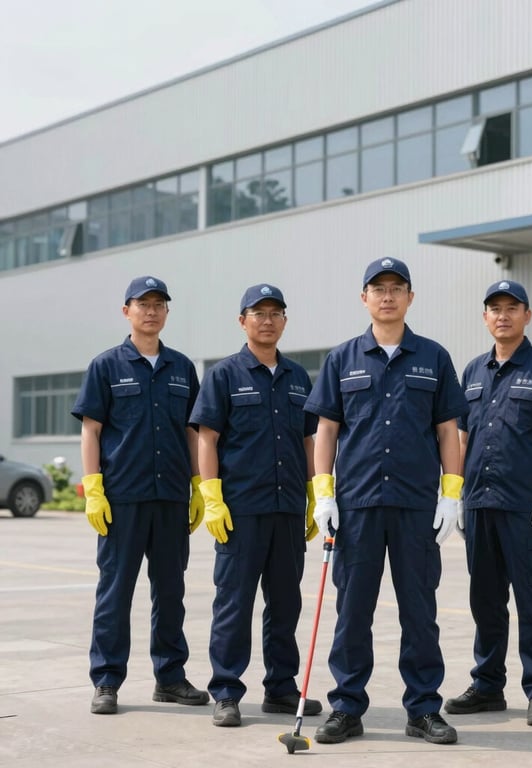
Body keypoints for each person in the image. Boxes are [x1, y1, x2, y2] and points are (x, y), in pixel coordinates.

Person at [304, 257, 468, 746]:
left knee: (419, 610)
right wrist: (323, 492)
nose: (388, 295)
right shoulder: (342, 358)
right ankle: (346, 708)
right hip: (356, 505)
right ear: (364, 298)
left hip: (417, 504)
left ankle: (423, 709)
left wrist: (451, 494)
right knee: (353, 610)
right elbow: (326, 428)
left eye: (398, 288)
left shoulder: (433, 357)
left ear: (411, 298)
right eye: (378, 288)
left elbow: (448, 431)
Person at [72, 275, 209, 715]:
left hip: (170, 496)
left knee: (170, 590)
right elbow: (90, 430)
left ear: (167, 312)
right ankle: (107, 680)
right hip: (122, 497)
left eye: (159, 304)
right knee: (115, 591)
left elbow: (193, 432)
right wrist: (93, 488)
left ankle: (170, 677)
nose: (151, 311)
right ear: (126, 311)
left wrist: (198, 485)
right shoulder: (106, 366)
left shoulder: (182, 368)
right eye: (142, 303)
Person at [445, 280, 532, 727]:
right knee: (485, 598)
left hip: (525, 505)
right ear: (485, 318)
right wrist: (455, 492)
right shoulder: (472, 371)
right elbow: (462, 435)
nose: (503, 315)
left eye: (512, 308)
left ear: (527, 315)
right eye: (494, 309)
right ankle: (487, 684)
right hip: (480, 501)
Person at [189, 283, 322, 727]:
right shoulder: (224, 375)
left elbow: (308, 439)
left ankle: (282, 689)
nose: (267, 320)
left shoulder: (299, 378)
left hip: (287, 508)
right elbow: (207, 438)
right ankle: (226, 691)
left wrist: (312, 494)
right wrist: (212, 497)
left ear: (285, 320)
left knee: (285, 604)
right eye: (257, 313)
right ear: (242, 320)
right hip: (241, 509)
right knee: (235, 602)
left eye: (275, 313)